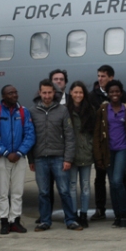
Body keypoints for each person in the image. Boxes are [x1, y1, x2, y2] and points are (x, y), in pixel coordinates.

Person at [29, 79, 78, 231]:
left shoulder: (62, 110)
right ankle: (45, 221)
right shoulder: (32, 111)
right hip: (40, 158)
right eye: (44, 92)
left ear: (54, 93)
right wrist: (31, 159)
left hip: (59, 157)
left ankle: (71, 220)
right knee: (44, 192)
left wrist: (68, 158)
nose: (47, 95)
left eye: (50, 92)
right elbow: (30, 136)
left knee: (64, 190)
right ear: (39, 93)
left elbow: (70, 136)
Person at [0, 85, 35, 235]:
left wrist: (20, 152)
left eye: (16, 92)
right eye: (10, 93)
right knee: (2, 192)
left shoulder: (24, 111)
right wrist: (6, 153)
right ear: (3, 95)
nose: (14, 95)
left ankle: (15, 220)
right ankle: (4, 221)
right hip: (2, 158)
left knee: (17, 192)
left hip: (19, 158)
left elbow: (30, 134)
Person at [94, 80, 126, 228]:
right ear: (108, 93)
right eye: (111, 92)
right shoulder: (104, 110)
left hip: (122, 149)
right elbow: (98, 133)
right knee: (112, 183)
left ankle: (124, 214)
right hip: (108, 150)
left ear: (121, 92)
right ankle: (118, 216)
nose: (114, 94)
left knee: (118, 180)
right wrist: (98, 155)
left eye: (117, 91)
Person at [88, 65, 126, 219]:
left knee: (118, 180)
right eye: (99, 75)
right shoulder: (94, 98)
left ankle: (124, 211)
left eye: (103, 76)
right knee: (103, 179)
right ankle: (103, 209)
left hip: (121, 147)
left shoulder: (123, 102)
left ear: (111, 77)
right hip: (105, 147)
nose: (100, 79)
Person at [67, 81, 96, 228]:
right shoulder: (65, 110)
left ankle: (84, 214)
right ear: (71, 93)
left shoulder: (90, 110)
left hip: (85, 153)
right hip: (71, 155)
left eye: (81, 92)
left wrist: (90, 147)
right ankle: (73, 214)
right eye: (75, 92)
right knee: (72, 186)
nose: (78, 95)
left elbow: (93, 133)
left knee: (85, 186)